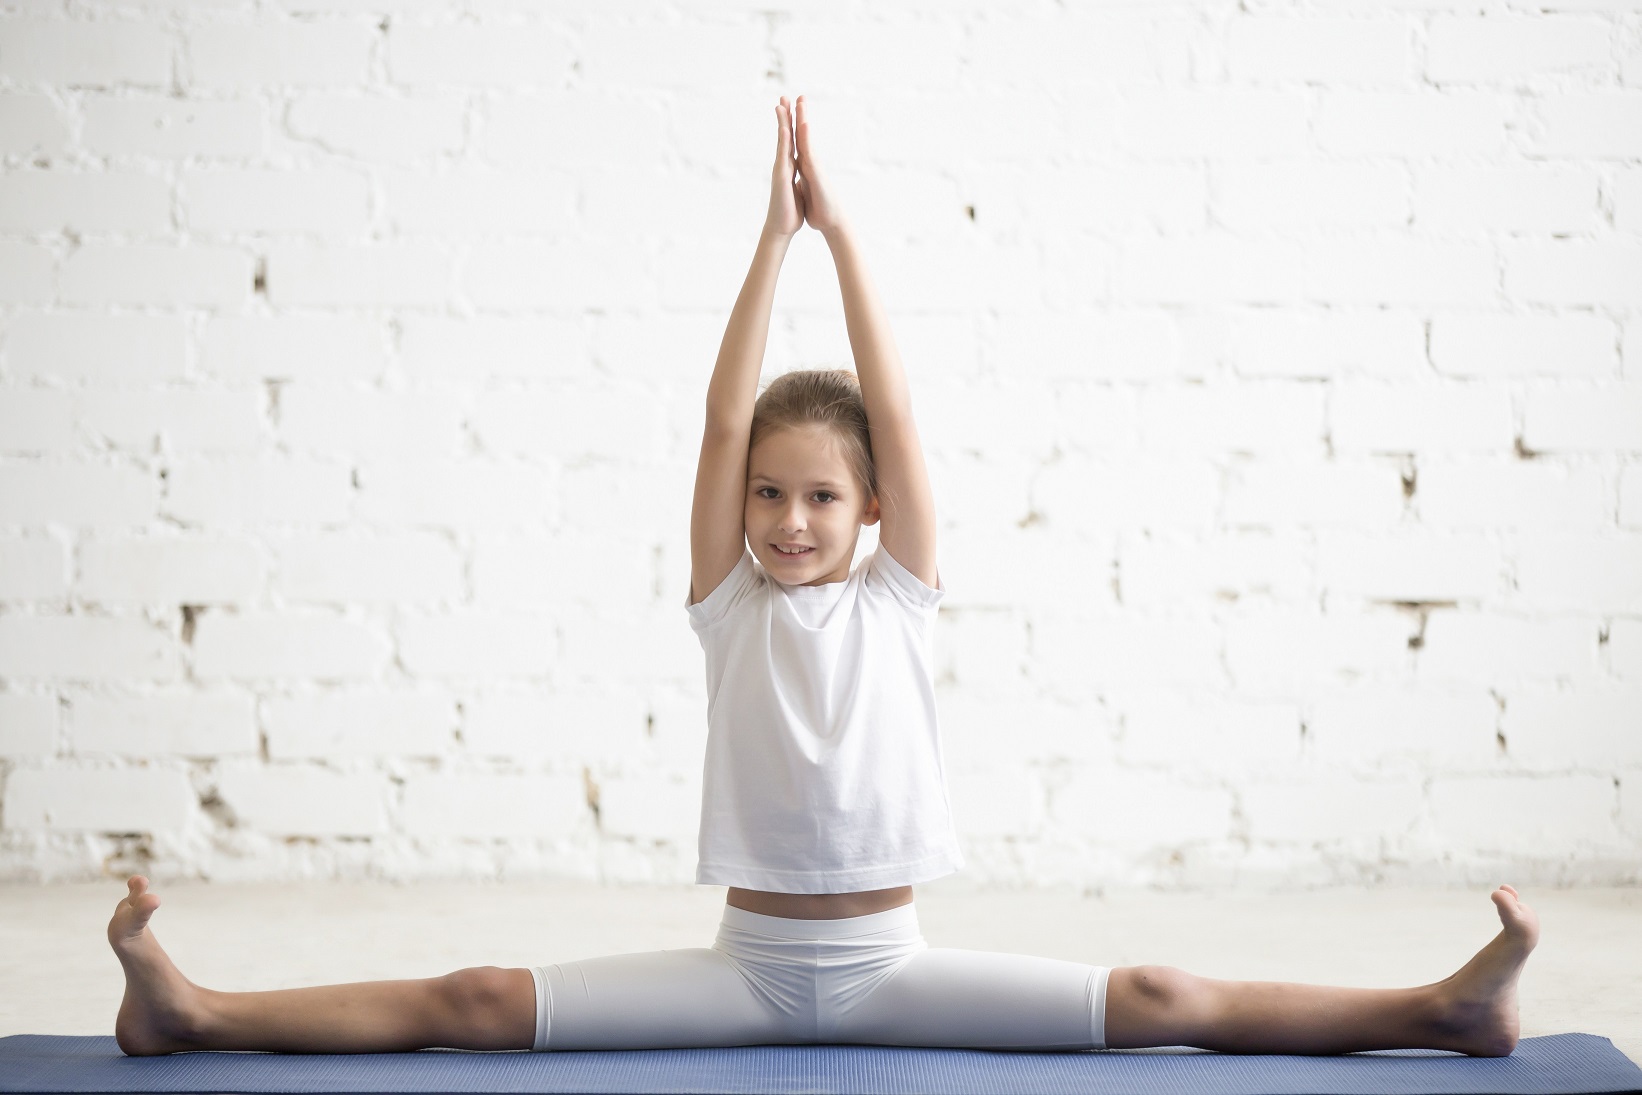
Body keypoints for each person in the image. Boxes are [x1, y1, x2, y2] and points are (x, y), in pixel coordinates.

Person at [106, 94, 1538, 1059]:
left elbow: (901, 426)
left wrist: (840, 237)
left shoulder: (894, 596)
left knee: (1163, 993)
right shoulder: (725, 604)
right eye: (770, 497)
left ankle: (1439, 1006)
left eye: (821, 499)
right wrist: (763, 243)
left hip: (895, 967)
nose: (789, 518)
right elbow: (721, 421)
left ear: (869, 515)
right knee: (472, 996)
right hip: (739, 969)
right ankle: (192, 1012)